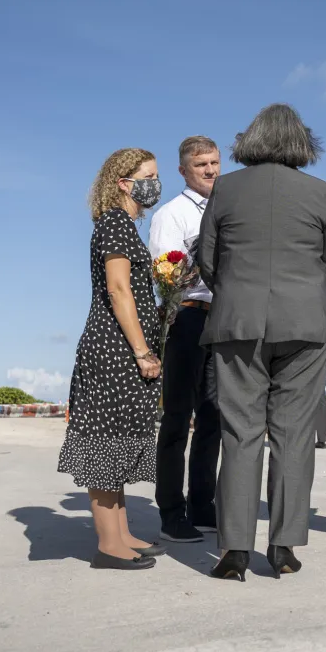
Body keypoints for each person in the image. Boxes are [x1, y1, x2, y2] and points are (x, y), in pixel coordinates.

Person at [197, 104, 326, 581]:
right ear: (302, 143)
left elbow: (208, 260)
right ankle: (282, 547)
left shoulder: (225, 188)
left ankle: (234, 551)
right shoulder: (320, 192)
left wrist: (240, 293)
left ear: (251, 140)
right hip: (306, 324)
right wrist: (302, 293)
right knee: (294, 434)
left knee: (239, 433)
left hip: (237, 322)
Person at [58, 148, 166, 571]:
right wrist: (142, 350)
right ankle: (108, 544)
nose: (154, 184)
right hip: (114, 350)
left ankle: (121, 534)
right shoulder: (115, 223)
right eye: (148, 176)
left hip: (119, 347)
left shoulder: (121, 226)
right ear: (123, 182)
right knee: (106, 442)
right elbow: (118, 290)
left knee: (119, 441)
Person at [148, 136, 222, 543]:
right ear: (183, 171)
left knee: (213, 417)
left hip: (224, 321)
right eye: (201, 165)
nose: (210, 170)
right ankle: (171, 511)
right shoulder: (170, 215)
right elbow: (167, 278)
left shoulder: (229, 209)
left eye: (214, 162)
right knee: (177, 418)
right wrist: (205, 266)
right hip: (188, 320)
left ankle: (202, 504)